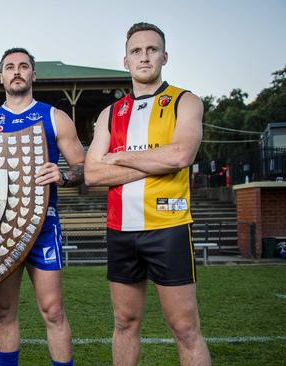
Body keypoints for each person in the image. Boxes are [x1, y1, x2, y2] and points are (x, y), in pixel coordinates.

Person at [84, 22, 211, 365]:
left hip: (168, 226)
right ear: (125, 61)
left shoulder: (185, 101)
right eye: (136, 51)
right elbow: (92, 173)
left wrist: (120, 155)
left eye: (152, 49)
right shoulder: (109, 114)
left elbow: (181, 155)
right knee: (124, 323)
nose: (144, 56)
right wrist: (157, 160)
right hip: (120, 230)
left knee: (184, 327)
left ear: (164, 56)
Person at [0, 48, 85, 366]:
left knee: (53, 310)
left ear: (33, 75)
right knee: (4, 310)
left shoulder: (54, 116)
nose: (16, 71)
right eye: (9, 67)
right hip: (1, 227)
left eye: (23, 66)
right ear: (1, 77)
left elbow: (82, 166)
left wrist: (64, 175)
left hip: (43, 224)